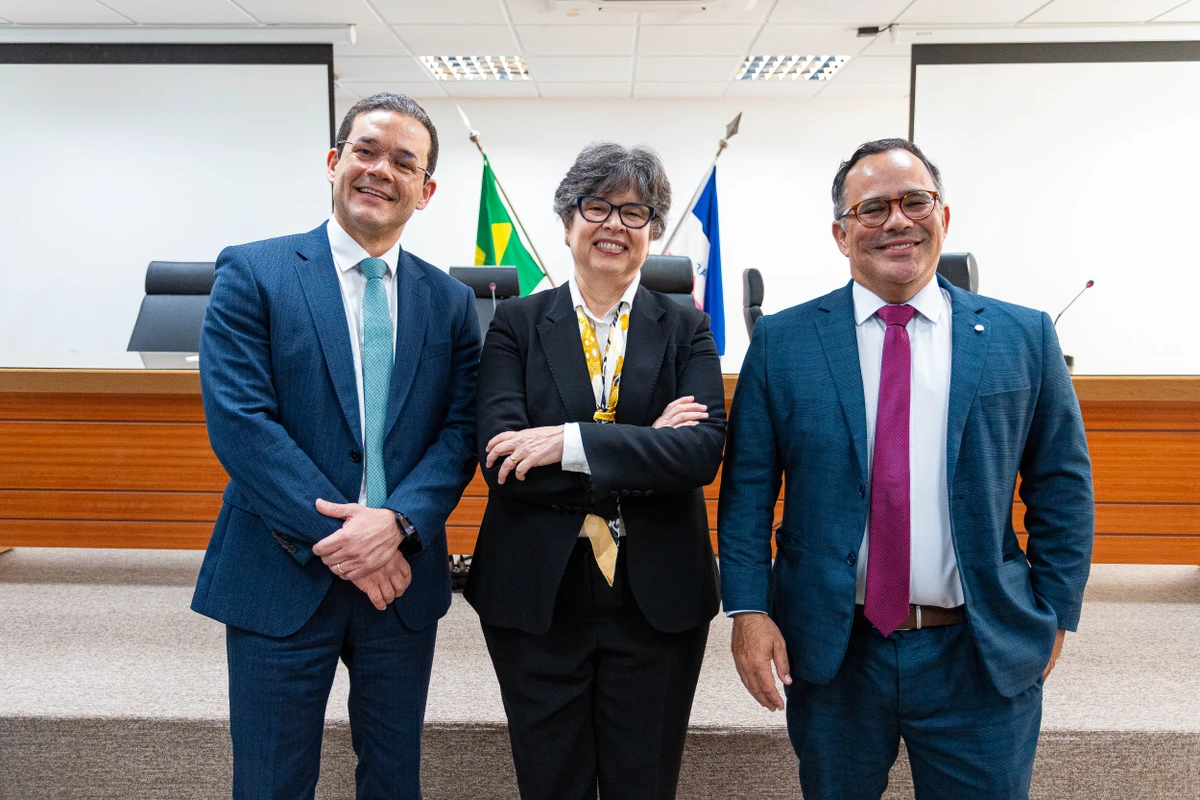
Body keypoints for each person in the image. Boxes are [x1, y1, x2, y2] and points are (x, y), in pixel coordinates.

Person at [718, 138, 1094, 799]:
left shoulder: (1022, 337)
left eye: (915, 201)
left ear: (943, 217)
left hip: (977, 649)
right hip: (835, 652)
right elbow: (747, 493)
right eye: (872, 208)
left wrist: (1055, 612)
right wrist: (748, 610)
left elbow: (1062, 487)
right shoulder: (784, 343)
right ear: (841, 233)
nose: (897, 220)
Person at [191, 93, 480, 799]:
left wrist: (399, 523)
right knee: (271, 783)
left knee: (393, 782)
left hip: (401, 581)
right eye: (366, 151)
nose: (382, 170)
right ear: (334, 162)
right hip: (281, 571)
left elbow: (460, 431)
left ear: (427, 189)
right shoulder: (253, 272)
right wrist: (349, 538)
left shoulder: (451, 302)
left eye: (404, 162)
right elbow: (241, 423)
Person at [464, 142, 726, 800]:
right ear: (566, 219)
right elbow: (503, 460)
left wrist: (569, 442)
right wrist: (644, 447)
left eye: (635, 212)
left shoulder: (687, 329)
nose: (615, 224)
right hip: (536, 593)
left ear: (654, 230)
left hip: (658, 595)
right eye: (597, 206)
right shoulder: (515, 325)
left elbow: (697, 454)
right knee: (552, 782)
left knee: (645, 782)